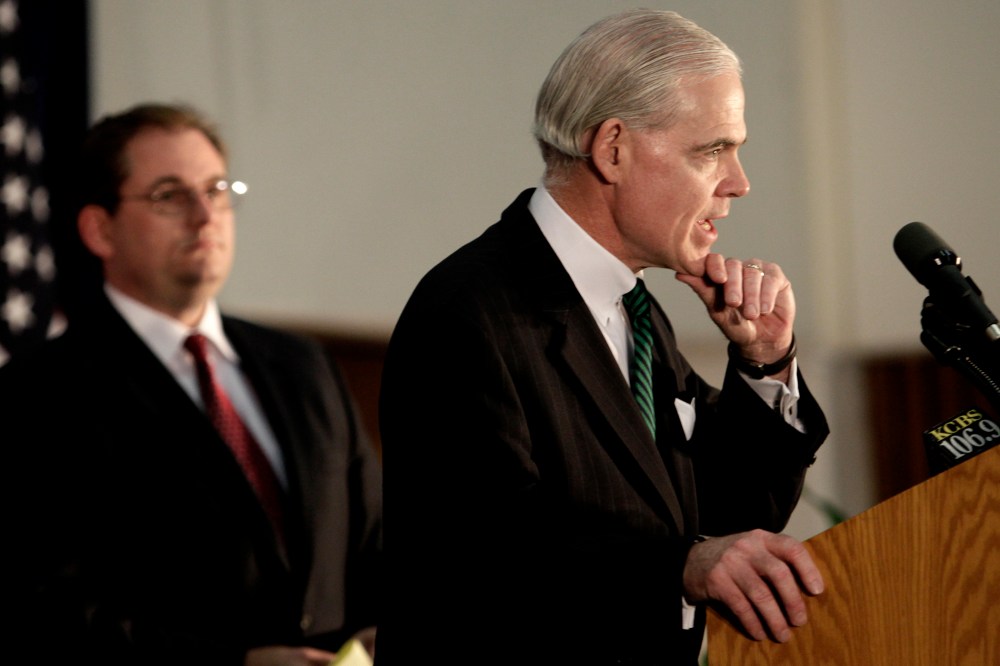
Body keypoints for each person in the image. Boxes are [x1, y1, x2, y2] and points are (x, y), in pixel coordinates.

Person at [375, 9, 829, 665]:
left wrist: (764, 361)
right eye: (712, 151)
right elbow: (487, 559)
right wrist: (682, 567)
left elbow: (727, 513)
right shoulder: (469, 309)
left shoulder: (638, 312)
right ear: (613, 148)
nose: (739, 182)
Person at [0, 103, 381, 665]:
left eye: (216, 190)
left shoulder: (304, 366)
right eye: (170, 195)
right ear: (99, 230)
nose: (205, 216)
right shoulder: (40, 392)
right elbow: (43, 607)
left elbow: (375, 542)